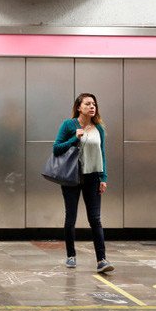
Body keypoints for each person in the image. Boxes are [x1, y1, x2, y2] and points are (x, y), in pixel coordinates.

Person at [52, 93, 114, 274]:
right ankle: (71, 255)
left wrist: (104, 178)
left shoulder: (99, 129)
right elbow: (56, 148)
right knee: (70, 217)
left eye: (94, 104)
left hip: (93, 176)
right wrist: (74, 138)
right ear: (79, 107)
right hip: (72, 176)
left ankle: (101, 260)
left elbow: (102, 154)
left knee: (95, 219)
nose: (92, 107)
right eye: (87, 104)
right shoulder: (68, 125)